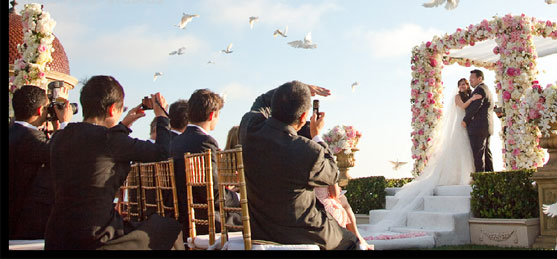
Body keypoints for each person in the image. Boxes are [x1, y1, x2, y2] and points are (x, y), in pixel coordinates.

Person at [44, 75, 183, 250]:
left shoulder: (60, 136)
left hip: (57, 236)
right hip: (98, 237)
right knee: (170, 229)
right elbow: (161, 152)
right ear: (112, 110)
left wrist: (125, 124)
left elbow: (96, 146)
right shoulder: (111, 139)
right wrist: (162, 117)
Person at [239, 80, 361, 250]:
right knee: (353, 242)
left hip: (257, 230)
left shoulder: (249, 127)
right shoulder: (308, 150)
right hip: (301, 232)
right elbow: (333, 173)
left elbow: (261, 101)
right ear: (304, 117)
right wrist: (316, 135)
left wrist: (298, 90)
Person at [368, 78, 474, 233]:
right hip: (458, 126)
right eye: (461, 84)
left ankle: (463, 175)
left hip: (464, 126)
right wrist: (473, 99)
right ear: (458, 87)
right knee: (457, 151)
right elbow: (463, 106)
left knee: (464, 152)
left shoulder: (466, 95)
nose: (463, 86)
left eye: (465, 84)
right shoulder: (458, 97)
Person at [9, 85, 72, 239]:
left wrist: (57, 132)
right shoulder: (32, 139)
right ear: (39, 110)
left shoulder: (14, 133)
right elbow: (63, 157)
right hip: (25, 223)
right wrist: (64, 124)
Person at [169, 88, 233, 241]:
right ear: (212, 115)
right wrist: (235, 195)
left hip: (180, 215)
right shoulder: (205, 142)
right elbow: (213, 193)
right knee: (249, 214)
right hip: (204, 220)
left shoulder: (175, 142)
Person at [313, 183, 373, 249]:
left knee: (343, 202)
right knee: (345, 203)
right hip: (324, 206)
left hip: (310, 204)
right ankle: (358, 237)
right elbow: (334, 194)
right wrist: (338, 189)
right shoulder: (329, 172)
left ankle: (359, 238)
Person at [462, 69, 494, 172]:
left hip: (478, 128)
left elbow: (475, 106)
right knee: (486, 154)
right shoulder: (487, 89)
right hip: (487, 127)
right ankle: (490, 178)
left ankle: (480, 180)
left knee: (478, 155)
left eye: (472, 78)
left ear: (479, 78)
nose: (470, 81)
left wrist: (465, 120)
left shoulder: (479, 90)